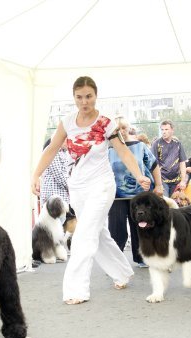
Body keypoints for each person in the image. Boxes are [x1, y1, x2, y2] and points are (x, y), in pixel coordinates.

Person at [30, 76, 149, 305]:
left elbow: (123, 151)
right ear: (74, 97)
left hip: (102, 186)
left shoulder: (106, 123)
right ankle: (122, 272)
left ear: (96, 96)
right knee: (98, 232)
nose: (84, 101)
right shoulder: (67, 122)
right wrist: (35, 175)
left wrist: (139, 175)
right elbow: (51, 149)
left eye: (89, 96)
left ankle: (76, 290)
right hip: (78, 188)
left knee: (84, 234)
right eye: (79, 97)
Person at [108, 117, 162, 269]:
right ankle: (115, 261)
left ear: (128, 128)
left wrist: (158, 185)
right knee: (116, 229)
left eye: (123, 128)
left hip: (140, 196)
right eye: (117, 129)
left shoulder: (140, 146)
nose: (121, 132)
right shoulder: (108, 148)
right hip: (116, 196)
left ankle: (142, 257)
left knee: (141, 226)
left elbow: (153, 165)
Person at [150, 120, 188, 197]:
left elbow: (182, 162)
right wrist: (157, 183)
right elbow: (153, 164)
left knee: (175, 205)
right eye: (162, 129)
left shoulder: (178, 143)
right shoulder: (156, 144)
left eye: (166, 129)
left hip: (176, 181)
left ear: (172, 130)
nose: (164, 132)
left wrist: (183, 181)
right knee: (165, 203)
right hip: (162, 180)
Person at [39, 138, 71, 207]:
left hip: (60, 200)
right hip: (53, 200)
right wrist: (74, 187)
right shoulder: (53, 151)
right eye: (67, 139)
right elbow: (59, 176)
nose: (69, 142)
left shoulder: (63, 152)